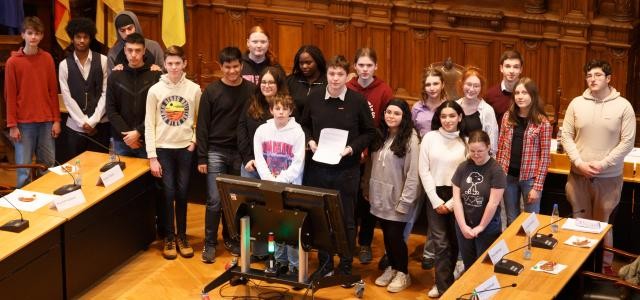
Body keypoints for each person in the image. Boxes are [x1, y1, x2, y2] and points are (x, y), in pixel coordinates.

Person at [300, 55, 376, 284]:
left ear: (348, 76)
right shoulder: (313, 97)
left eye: (339, 74)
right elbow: (303, 124)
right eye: (331, 74)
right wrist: (310, 140)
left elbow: (370, 132)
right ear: (327, 75)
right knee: (321, 217)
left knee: (346, 219)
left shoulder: (357, 101)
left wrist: (352, 149)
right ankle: (325, 265)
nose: (334, 78)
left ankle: (345, 266)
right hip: (317, 169)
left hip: (347, 170)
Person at [561, 59, 635, 274]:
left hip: (609, 178)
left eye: (598, 75)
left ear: (608, 78)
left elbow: (627, 142)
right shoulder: (576, 103)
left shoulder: (624, 106)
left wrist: (602, 164)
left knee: (603, 225)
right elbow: (566, 136)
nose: (592, 79)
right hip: (578, 176)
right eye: (589, 76)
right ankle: (579, 268)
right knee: (579, 223)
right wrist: (578, 162)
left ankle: (603, 269)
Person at [196, 46, 256, 263]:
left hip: (240, 153)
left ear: (242, 65)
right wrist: (202, 157)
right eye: (227, 67)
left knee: (234, 201)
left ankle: (231, 239)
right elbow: (202, 126)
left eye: (236, 66)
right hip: (215, 151)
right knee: (214, 200)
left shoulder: (251, 90)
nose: (232, 71)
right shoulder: (211, 91)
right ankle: (210, 243)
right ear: (221, 67)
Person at [144, 45, 201, 260]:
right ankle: (169, 236)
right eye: (170, 64)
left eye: (178, 63)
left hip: (185, 148)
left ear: (184, 63)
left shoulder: (194, 89)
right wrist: (152, 156)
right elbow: (149, 124)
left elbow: (199, 119)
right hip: (163, 149)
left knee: (183, 192)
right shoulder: (155, 90)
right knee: (167, 193)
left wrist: (194, 141)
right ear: (164, 65)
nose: (174, 67)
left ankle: (182, 236)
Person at [346, 47, 393, 265]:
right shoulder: (347, 87)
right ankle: (347, 242)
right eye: (361, 65)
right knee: (349, 200)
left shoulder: (384, 90)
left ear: (376, 67)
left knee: (367, 201)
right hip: (348, 153)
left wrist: (370, 146)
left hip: (372, 155)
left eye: (369, 65)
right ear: (355, 66)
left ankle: (365, 243)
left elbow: (386, 123)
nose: (365, 69)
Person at [370, 99, 420, 293]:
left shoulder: (411, 139)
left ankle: (403, 273)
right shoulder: (381, 135)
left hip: (398, 200)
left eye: (396, 113)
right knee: (387, 238)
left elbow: (413, 175)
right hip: (380, 198)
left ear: (404, 116)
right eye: (388, 112)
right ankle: (392, 267)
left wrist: (405, 201)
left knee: (396, 237)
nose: (391, 116)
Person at [4, 16, 60, 188]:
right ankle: (24, 206)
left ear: (42, 36)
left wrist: (56, 120)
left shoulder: (48, 59)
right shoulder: (13, 62)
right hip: (23, 123)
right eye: (30, 33)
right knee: (24, 168)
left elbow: (52, 91)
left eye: (37, 33)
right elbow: (10, 95)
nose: (33, 37)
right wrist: (12, 125)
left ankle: (48, 199)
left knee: (48, 164)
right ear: (23, 35)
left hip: (46, 121)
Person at [419, 100, 467, 298]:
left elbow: (467, 175)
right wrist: (436, 201)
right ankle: (442, 286)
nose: (448, 120)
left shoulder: (465, 141)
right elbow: (424, 170)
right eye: (444, 116)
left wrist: (452, 203)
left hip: (457, 195)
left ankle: (447, 281)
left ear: (460, 117)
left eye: (452, 116)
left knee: (455, 241)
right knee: (441, 243)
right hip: (434, 194)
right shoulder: (430, 138)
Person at [253, 94, 306, 275]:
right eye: (277, 108)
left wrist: (280, 181)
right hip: (269, 185)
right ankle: (280, 261)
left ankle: (294, 265)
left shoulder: (298, 132)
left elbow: (298, 164)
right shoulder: (261, 130)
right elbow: (259, 159)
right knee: (275, 223)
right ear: (271, 110)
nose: (281, 112)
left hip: (290, 186)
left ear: (291, 111)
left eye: (285, 109)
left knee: (290, 227)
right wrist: (270, 180)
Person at [496, 77, 551, 225]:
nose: (520, 96)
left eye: (525, 93)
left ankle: (529, 248)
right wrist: (499, 174)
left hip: (530, 179)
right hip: (509, 177)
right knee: (511, 219)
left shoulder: (542, 122)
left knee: (531, 221)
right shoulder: (508, 116)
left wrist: (537, 187)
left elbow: (545, 157)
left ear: (533, 96)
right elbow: (501, 147)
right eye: (517, 93)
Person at [410, 66, 448, 271]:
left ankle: (429, 251)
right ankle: (396, 248)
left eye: (436, 83)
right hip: (420, 164)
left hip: (441, 165)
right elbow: (411, 135)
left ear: (442, 84)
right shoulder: (417, 108)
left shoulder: (450, 106)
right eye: (428, 84)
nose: (432, 88)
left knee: (436, 209)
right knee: (413, 207)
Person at [452, 130, 506, 271]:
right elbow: (457, 200)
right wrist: (463, 226)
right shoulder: (463, 167)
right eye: (472, 151)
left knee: (485, 266)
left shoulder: (496, 170)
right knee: (469, 265)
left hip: (487, 226)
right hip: (465, 224)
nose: (476, 155)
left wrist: (481, 227)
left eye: (480, 151)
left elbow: (493, 203)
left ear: (488, 147)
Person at [58, 17, 110, 161]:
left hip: (100, 126)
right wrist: (82, 122)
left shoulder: (103, 60)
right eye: (78, 37)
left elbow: (106, 93)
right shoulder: (64, 65)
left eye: (85, 37)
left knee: (99, 167)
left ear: (91, 38)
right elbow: (67, 98)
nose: (81, 40)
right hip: (75, 127)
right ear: (72, 38)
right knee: (77, 169)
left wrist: (93, 121)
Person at [106, 33, 162, 158]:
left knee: (148, 177)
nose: (133, 55)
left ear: (144, 51)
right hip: (121, 141)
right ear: (125, 50)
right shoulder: (115, 76)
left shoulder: (156, 76)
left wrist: (138, 132)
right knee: (122, 177)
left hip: (148, 139)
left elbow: (158, 111)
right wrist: (128, 137)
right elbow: (111, 111)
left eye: (138, 50)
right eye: (130, 50)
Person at [238, 66, 288, 179]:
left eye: (271, 82)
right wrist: (247, 158)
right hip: (252, 165)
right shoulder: (251, 102)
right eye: (263, 82)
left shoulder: (286, 106)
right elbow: (242, 130)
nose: (266, 86)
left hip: (277, 169)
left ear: (278, 85)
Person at [455, 66, 499, 156]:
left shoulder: (487, 110)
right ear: (462, 84)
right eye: (468, 84)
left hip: (477, 159)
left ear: (481, 88)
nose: (471, 89)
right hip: (455, 158)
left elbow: (492, 145)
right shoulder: (455, 106)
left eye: (476, 86)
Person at [287, 45, 327, 119]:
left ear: (317, 61)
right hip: (295, 127)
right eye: (301, 63)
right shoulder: (291, 80)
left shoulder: (327, 81)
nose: (304, 66)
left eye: (308, 63)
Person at [485, 50, 523, 125]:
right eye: (508, 66)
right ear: (501, 68)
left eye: (516, 67)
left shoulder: (528, 94)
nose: (511, 71)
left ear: (521, 69)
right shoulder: (490, 95)